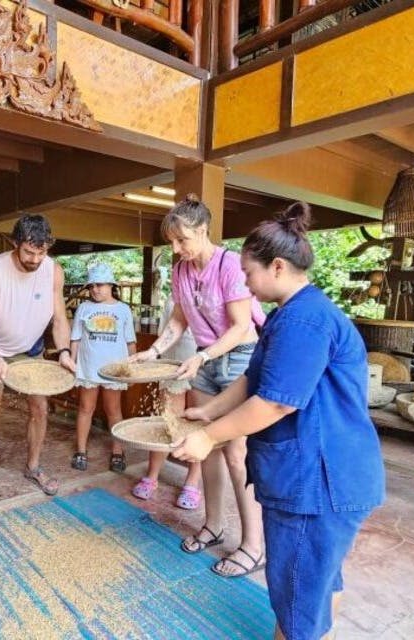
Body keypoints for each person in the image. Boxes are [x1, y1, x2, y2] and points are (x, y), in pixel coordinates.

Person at [173, 202, 385, 640]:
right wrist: (209, 410)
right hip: (325, 476)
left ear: (277, 267)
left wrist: (208, 437)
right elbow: (253, 378)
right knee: (319, 584)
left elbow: (274, 404)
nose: (245, 284)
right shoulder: (288, 314)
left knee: (297, 598)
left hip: (318, 483)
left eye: (248, 273)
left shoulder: (303, 321)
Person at [131, 193, 267, 578]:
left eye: (182, 240)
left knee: (236, 452)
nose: (176, 249)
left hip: (238, 359)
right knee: (205, 449)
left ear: (203, 230)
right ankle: (214, 525)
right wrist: (153, 351)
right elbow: (179, 319)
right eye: (172, 242)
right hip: (205, 360)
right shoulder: (181, 269)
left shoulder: (229, 265)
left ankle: (253, 545)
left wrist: (203, 357)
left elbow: (240, 327)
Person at [0, 214, 76, 507]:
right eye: (29, 252)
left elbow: (59, 319)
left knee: (40, 407)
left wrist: (64, 351)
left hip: (29, 350)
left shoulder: (53, 270)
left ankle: (33, 466)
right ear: (15, 243)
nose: (36, 259)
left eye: (42, 252)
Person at [131, 298, 200, 506]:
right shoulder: (174, 297)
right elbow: (167, 331)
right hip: (172, 367)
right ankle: (152, 476)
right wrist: (154, 355)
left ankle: (192, 482)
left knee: (197, 425)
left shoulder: (216, 291)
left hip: (203, 368)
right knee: (166, 423)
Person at [68, 263, 136, 472]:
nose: (95, 290)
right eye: (92, 286)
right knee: (85, 408)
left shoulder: (123, 310)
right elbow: (76, 338)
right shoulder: (84, 308)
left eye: (100, 285)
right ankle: (81, 450)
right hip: (89, 369)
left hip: (114, 371)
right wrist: (72, 364)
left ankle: (118, 452)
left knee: (113, 410)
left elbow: (130, 342)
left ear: (111, 285)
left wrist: (132, 369)